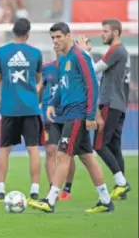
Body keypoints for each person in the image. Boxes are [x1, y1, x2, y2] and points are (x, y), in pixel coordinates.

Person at [29, 22, 114, 213]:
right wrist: (52, 103)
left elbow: (92, 84)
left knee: (62, 155)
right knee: (87, 157)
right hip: (68, 112)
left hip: (77, 114)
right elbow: (61, 86)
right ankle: (106, 200)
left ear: (68, 36)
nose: (55, 41)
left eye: (59, 37)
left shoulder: (79, 56)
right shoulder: (63, 59)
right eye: (53, 38)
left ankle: (50, 200)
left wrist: (91, 114)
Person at [76, 19, 131, 200]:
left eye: (105, 31)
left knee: (99, 145)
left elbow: (93, 70)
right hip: (119, 104)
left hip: (111, 102)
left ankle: (122, 183)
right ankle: (120, 190)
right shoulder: (121, 52)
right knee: (114, 146)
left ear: (115, 33)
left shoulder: (117, 50)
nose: (102, 34)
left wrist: (85, 53)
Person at [0, 18, 44, 203]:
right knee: (33, 149)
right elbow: (39, 78)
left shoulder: (1, 52)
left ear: (13, 32)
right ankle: (35, 190)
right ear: (28, 33)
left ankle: (0, 190)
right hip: (30, 107)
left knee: (4, 149)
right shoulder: (36, 53)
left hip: (9, 107)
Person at [40, 46, 75, 201]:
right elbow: (41, 88)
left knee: (68, 153)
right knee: (50, 150)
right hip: (49, 116)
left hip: (68, 114)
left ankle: (67, 188)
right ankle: (52, 188)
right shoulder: (46, 69)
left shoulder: (72, 67)